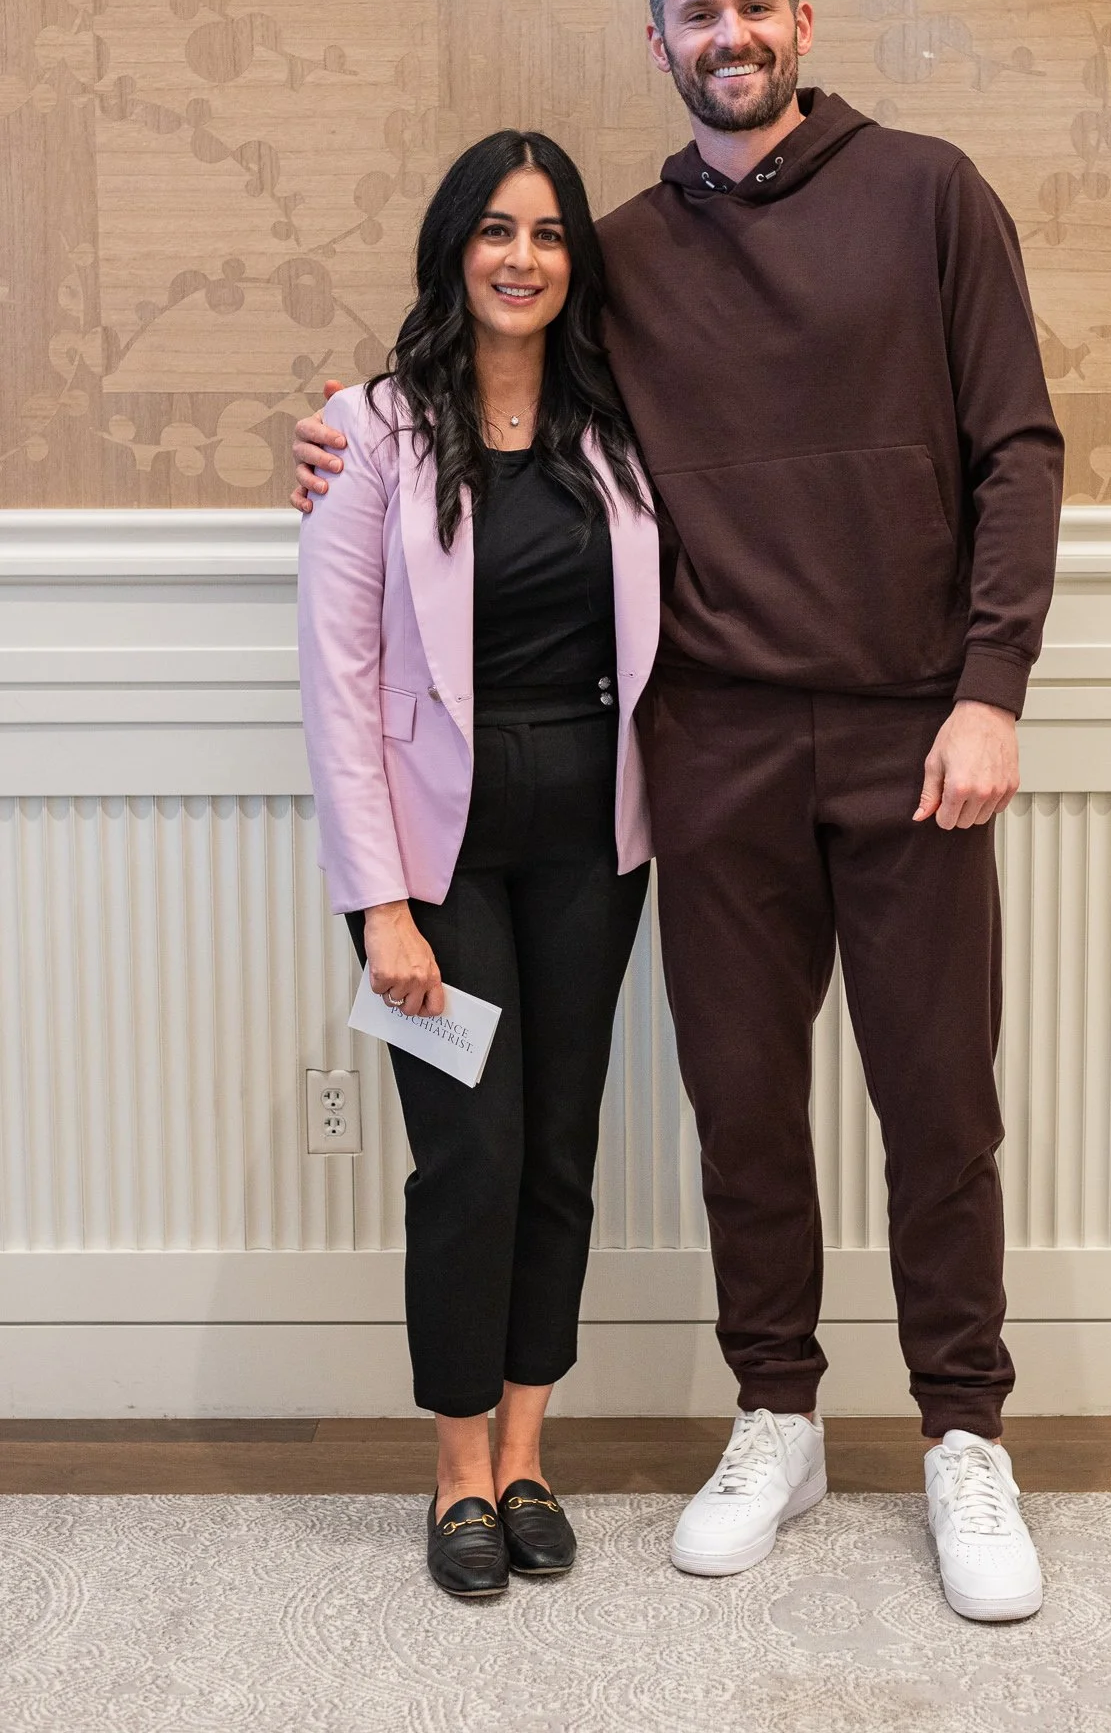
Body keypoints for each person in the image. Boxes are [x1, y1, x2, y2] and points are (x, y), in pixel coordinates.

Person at [294, 0, 1063, 1624]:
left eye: (752, 6)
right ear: (660, 45)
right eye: (696, 15)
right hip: (710, 751)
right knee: (740, 1105)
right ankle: (777, 1411)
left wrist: (993, 687)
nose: (730, 35)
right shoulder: (623, 256)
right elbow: (480, 371)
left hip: (913, 736)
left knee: (939, 1102)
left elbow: (1017, 449)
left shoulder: (933, 197)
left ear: (803, 21)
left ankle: (964, 1433)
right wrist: (340, 429)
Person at [296, 128, 657, 1599]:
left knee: (558, 1146)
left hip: (592, 842)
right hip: (430, 866)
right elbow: (339, 683)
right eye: (496, 229)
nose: (522, 257)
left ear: (576, 262)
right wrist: (378, 908)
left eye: (549, 232)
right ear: (454, 248)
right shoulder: (369, 430)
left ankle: (524, 1455)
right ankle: (455, 1473)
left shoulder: (621, 425)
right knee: (469, 1155)